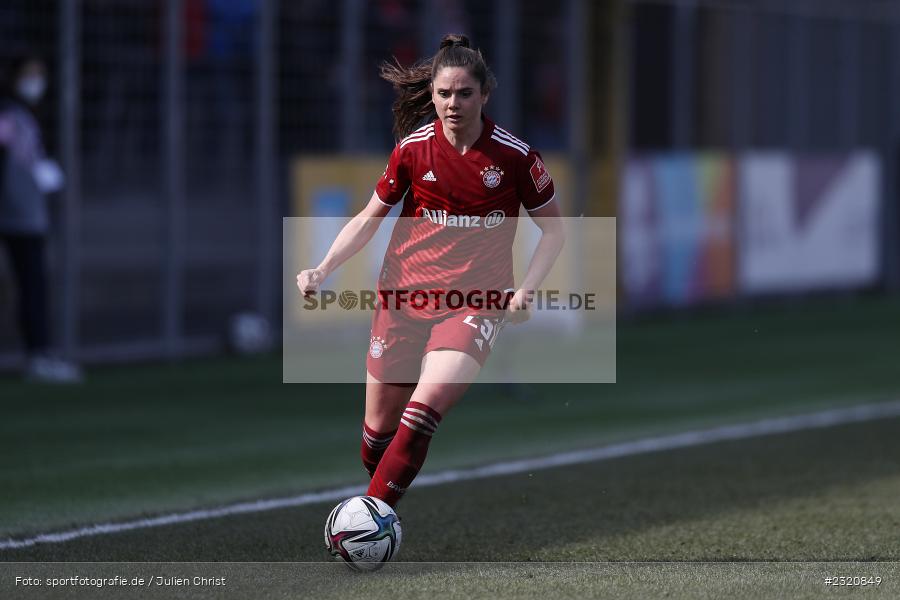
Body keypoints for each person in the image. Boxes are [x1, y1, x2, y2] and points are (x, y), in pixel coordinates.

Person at [296, 34, 564, 508]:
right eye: (444, 94)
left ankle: (372, 519)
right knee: (377, 437)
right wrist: (322, 270)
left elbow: (555, 232)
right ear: (432, 95)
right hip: (403, 298)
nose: (453, 104)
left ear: (485, 94)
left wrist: (525, 290)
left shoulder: (516, 157)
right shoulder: (413, 150)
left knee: (423, 412)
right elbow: (367, 219)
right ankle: (375, 506)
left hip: (474, 304)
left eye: (464, 93)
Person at [0, 55, 81, 383]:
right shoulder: (7, 114)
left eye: (40, 74)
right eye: (29, 74)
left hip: (26, 215)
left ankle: (40, 353)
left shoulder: (28, 116)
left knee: (34, 285)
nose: (36, 81)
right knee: (31, 283)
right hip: (12, 212)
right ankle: (39, 353)